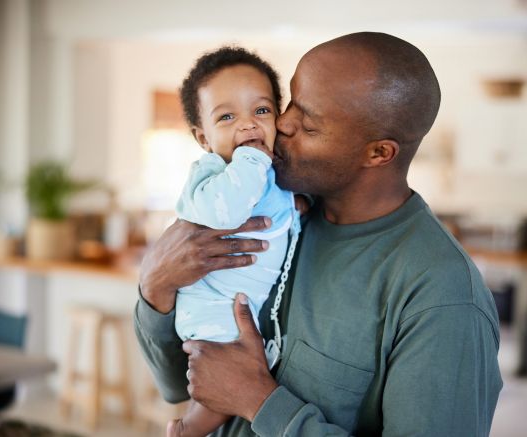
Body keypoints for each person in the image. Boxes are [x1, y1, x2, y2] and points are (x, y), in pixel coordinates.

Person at [135, 32, 503, 436]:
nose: (280, 123)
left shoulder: (441, 295)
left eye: (308, 123)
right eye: (289, 102)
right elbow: (176, 383)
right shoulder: (275, 212)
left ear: (378, 153)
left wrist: (260, 402)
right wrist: (156, 284)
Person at [166, 47, 304, 436]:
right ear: (203, 138)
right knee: (222, 384)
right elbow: (224, 213)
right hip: (212, 305)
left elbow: (277, 214)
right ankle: (188, 429)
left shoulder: (270, 176)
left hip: (240, 304)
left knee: (237, 371)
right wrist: (253, 160)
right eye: (227, 117)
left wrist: (296, 206)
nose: (248, 125)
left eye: (261, 111)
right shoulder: (212, 175)